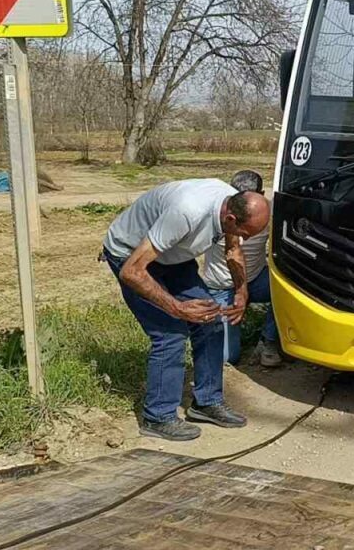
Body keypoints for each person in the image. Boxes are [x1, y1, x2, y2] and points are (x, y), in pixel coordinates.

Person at [101, 179, 270, 441]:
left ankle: (206, 402)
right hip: (130, 255)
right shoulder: (187, 211)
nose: (246, 239)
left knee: (211, 320)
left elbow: (233, 250)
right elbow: (132, 272)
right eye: (246, 233)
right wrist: (178, 308)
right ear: (230, 217)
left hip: (171, 256)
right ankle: (158, 417)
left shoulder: (231, 201)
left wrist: (241, 291)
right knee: (171, 334)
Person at [202, 170, 282, 368]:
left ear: (261, 196)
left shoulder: (268, 213)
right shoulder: (217, 214)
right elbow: (233, 249)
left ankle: (268, 341)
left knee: (287, 288)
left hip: (255, 280)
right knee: (228, 358)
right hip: (223, 286)